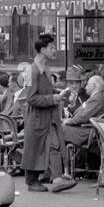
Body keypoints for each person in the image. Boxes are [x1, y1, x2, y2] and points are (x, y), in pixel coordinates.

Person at [20, 34, 76, 192]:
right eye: (51, 47)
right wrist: (53, 98)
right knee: (36, 148)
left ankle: (55, 178)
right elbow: (31, 98)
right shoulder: (32, 71)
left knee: (49, 146)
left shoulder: (45, 69)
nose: (54, 50)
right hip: (37, 117)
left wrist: (58, 92)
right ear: (42, 49)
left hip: (47, 116)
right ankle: (33, 181)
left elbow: (44, 90)